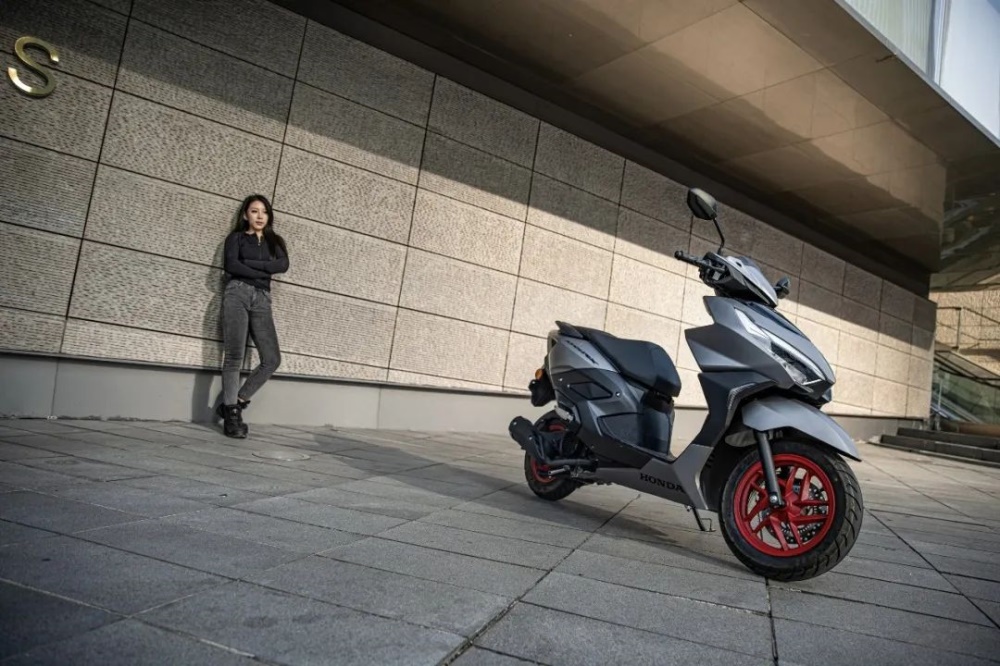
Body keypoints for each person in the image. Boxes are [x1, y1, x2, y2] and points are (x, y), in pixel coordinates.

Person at [216, 194, 289, 438]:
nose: (260, 216)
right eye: (254, 211)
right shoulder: (235, 238)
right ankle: (232, 416)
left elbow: (282, 265)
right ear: (246, 215)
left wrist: (249, 264)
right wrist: (263, 271)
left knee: (272, 359)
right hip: (236, 294)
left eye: (264, 212)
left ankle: (237, 401)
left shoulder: (274, 241)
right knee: (234, 357)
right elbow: (231, 266)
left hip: (262, 299)